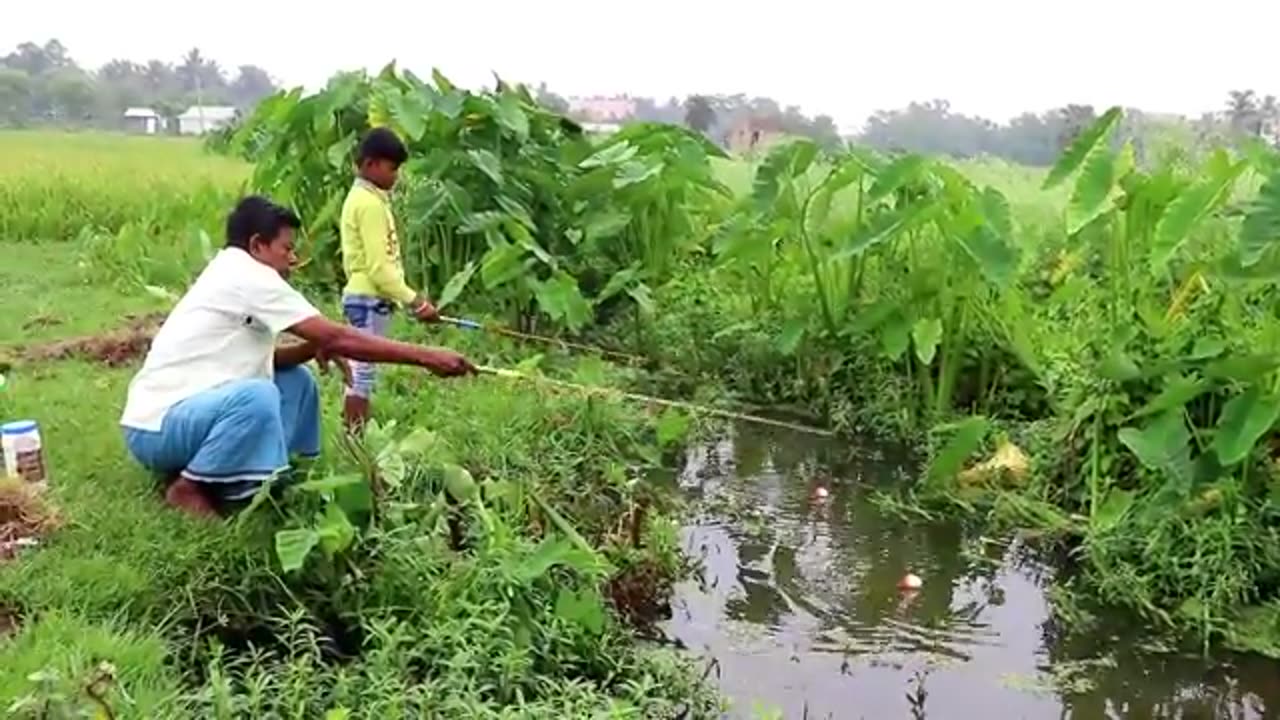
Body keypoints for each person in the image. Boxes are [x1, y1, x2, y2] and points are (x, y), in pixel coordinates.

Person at [119, 195, 475, 518]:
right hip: (156, 429)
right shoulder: (249, 275)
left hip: (181, 416)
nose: (292, 258)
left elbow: (256, 361)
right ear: (258, 245)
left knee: (296, 381)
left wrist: (309, 349)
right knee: (257, 397)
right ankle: (189, 488)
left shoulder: (231, 270)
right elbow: (336, 334)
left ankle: (273, 475)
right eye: (286, 248)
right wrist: (428, 356)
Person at [339, 127, 436, 430]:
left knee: (362, 369)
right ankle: (355, 442)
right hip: (368, 298)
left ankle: (355, 438)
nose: (396, 176)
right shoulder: (368, 204)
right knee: (362, 371)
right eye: (392, 168)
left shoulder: (366, 199)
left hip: (365, 296)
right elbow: (380, 269)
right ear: (370, 164)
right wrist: (416, 301)